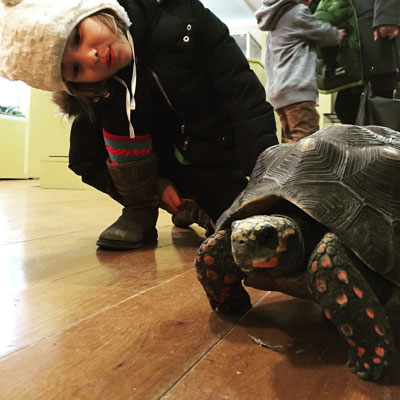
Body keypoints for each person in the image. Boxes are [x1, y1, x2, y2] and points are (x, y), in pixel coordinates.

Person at [0, 0, 278, 251]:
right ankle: (140, 209)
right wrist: (153, 188)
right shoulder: (100, 90)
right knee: (112, 104)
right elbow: (85, 160)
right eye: (75, 69)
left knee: (251, 229)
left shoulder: (187, 18)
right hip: (163, 164)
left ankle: (195, 206)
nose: (89, 57)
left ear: (90, 9)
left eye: (77, 36)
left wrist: (263, 184)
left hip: (216, 154)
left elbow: (246, 102)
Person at [256, 0, 345, 143]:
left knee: (292, 142)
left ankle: (284, 165)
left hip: (279, 93)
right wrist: (337, 35)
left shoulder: (275, 17)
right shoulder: (296, 12)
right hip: (296, 89)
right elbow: (322, 32)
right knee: (306, 143)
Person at [311, 0, 400, 124]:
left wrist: (387, 16)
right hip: (353, 30)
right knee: (348, 107)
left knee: (377, 103)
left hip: (371, 28)